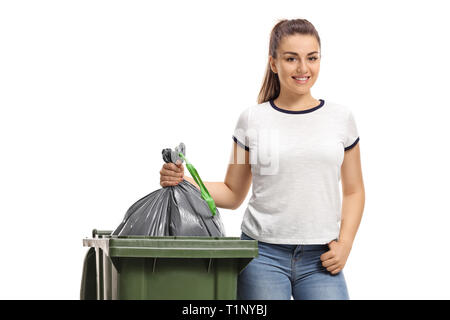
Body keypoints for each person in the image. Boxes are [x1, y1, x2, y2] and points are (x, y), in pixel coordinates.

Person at [159, 18, 365, 300]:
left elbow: (354, 190)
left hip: (322, 259)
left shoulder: (341, 119)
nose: (303, 68)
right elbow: (233, 193)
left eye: (312, 58)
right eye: (291, 58)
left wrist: (345, 245)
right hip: (262, 256)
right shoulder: (251, 120)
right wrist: (184, 180)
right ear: (273, 63)